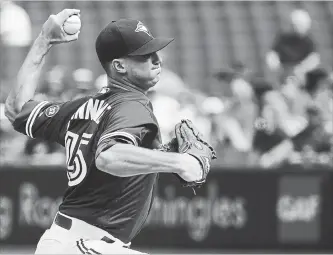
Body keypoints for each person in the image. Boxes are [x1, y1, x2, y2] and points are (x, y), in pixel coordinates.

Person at [4, 9, 210, 254]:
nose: (157, 60)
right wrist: (179, 161)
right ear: (119, 66)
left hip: (64, 241)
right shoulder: (133, 104)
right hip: (86, 243)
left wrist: (43, 41)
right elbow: (108, 157)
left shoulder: (80, 107)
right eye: (145, 55)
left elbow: (17, 109)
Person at [266, 9, 321, 85]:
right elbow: (273, 55)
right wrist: (276, 66)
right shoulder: (283, 38)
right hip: (284, 74)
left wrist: (301, 69)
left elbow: (314, 59)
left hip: (300, 76)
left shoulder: (308, 42)